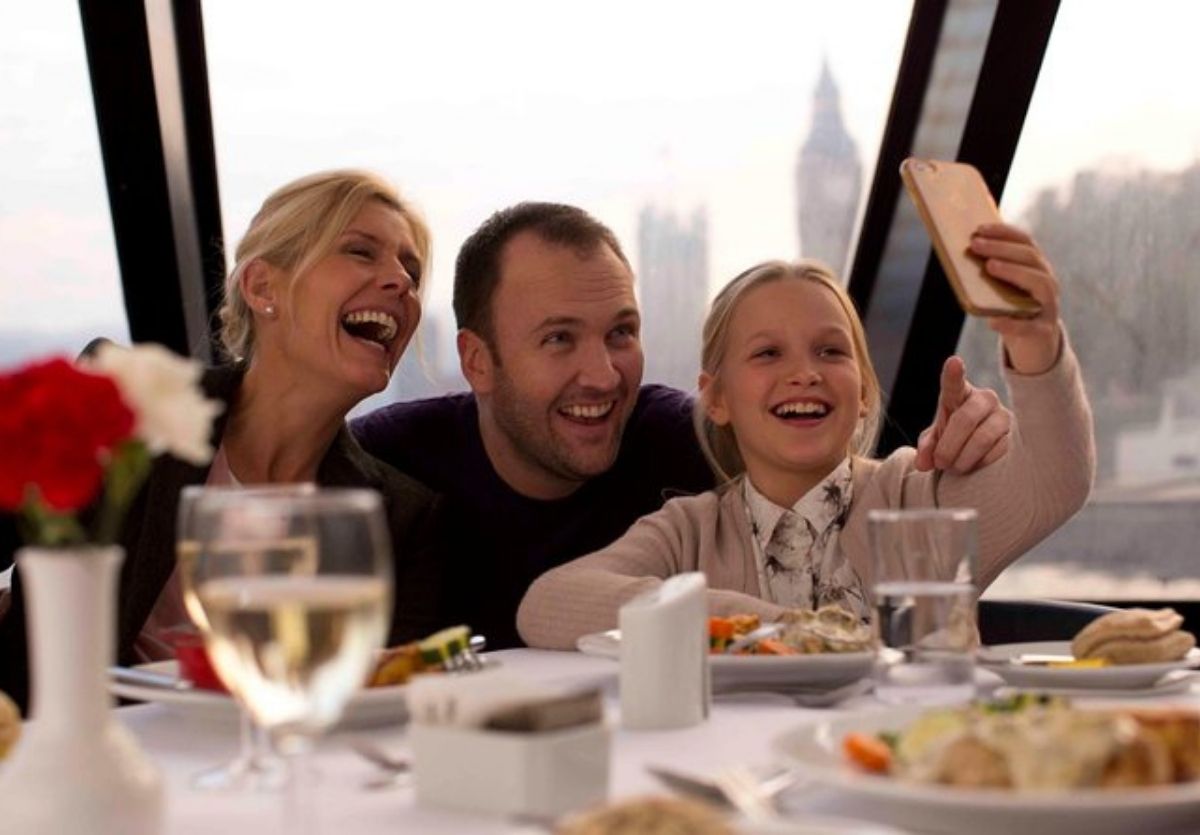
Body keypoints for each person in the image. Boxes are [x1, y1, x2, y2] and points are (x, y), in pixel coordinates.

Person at [353, 202, 1016, 649]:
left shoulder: (688, 441)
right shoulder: (384, 462)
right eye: (559, 339)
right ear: (476, 361)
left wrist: (989, 432)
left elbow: (820, 464)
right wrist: (781, 624)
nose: (603, 375)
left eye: (621, 333)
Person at [516, 223, 1096, 648]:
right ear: (716, 399)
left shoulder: (920, 498)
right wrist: (755, 624)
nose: (804, 373)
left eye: (830, 351)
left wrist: (1035, 342)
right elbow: (547, 604)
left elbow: (1056, 480)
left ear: (863, 390)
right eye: (768, 353)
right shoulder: (688, 533)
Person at [0, 169, 442, 714]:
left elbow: (383, 700)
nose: (400, 281)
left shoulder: (401, 517)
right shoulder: (123, 406)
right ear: (262, 288)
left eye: (411, 269)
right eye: (360, 251)